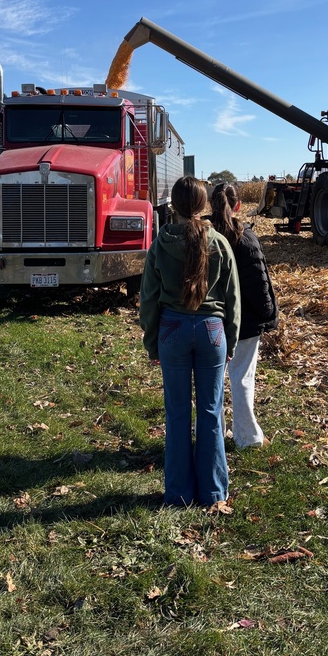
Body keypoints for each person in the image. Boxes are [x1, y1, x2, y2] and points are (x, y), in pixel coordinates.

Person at [139, 176, 241, 506]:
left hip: (172, 331)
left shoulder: (160, 244)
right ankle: (213, 492)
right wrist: (232, 341)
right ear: (203, 206)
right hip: (212, 332)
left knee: (177, 413)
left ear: (173, 206)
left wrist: (152, 342)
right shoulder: (220, 244)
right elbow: (233, 299)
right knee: (211, 412)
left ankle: (179, 494)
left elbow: (149, 300)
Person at [208, 182, 279, 449]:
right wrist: (268, 314)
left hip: (210, 321)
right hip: (245, 324)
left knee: (212, 381)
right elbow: (258, 284)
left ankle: (213, 433)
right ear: (238, 206)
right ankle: (247, 438)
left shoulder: (202, 235)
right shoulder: (245, 238)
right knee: (242, 379)